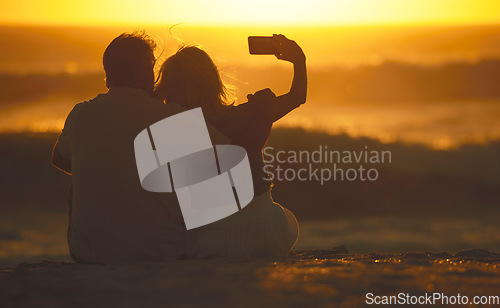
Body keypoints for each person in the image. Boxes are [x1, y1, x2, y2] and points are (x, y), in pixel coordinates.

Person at [51, 32, 232, 263]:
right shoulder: (170, 116)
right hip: (160, 250)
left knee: (79, 173)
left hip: (89, 254)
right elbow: (227, 155)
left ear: (108, 77)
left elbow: (59, 157)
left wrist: (110, 164)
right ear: (149, 72)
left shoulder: (80, 114)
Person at [154, 34, 307, 258]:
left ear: (169, 88)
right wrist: (299, 60)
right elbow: (297, 97)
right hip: (265, 231)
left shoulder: (172, 129)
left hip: (212, 239)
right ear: (213, 80)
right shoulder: (249, 113)